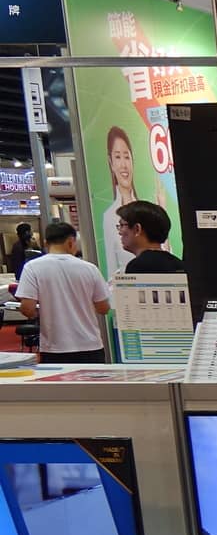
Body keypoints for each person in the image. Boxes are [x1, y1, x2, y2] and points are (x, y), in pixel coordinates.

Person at [14, 221, 112, 364]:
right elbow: (103, 308)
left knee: (58, 386)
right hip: (90, 346)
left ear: (46, 243)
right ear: (71, 242)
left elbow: (27, 309)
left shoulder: (32, 268)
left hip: (54, 348)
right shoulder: (90, 268)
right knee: (92, 386)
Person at [102, 126, 142, 272]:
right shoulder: (109, 217)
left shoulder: (148, 208)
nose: (124, 165)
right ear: (111, 163)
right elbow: (112, 272)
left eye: (127, 156)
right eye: (118, 157)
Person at [116, 200, 184, 273]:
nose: (120, 232)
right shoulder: (180, 265)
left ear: (137, 229)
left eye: (122, 225)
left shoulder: (138, 266)